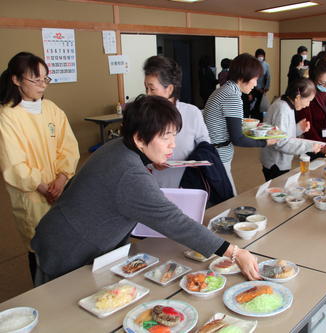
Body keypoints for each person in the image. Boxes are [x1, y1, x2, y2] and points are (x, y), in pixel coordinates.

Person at [31, 95, 260, 284]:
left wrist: (148, 162)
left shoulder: (117, 146)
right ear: (140, 139)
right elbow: (173, 221)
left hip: (62, 232)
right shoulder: (130, 174)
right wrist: (235, 252)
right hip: (67, 248)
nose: (173, 144)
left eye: (174, 135)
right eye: (165, 137)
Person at [0, 52, 80, 281]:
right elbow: (14, 163)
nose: (42, 85)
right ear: (16, 80)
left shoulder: (52, 109)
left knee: (65, 240)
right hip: (33, 195)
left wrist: (62, 180)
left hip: (60, 188)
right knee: (40, 247)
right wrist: (44, 187)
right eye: (35, 79)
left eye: (46, 79)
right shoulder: (8, 116)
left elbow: (69, 147)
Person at [203, 53, 277, 194]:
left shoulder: (223, 90)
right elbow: (237, 138)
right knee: (227, 198)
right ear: (244, 77)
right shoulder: (232, 97)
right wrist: (265, 142)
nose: (255, 84)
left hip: (213, 152)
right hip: (219, 155)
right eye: (255, 79)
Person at [143, 56, 211, 188]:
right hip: (155, 184)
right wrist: (151, 160)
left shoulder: (192, 113)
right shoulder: (144, 115)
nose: (148, 94)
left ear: (169, 89)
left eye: (152, 89)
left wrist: (196, 159)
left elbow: (206, 146)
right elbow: (137, 150)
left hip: (188, 183)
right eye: (146, 88)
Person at [260, 78, 323, 180]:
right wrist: (309, 147)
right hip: (275, 163)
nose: (308, 105)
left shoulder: (286, 103)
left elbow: (284, 134)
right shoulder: (282, 109)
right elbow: (280, 142)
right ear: (298, 97)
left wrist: (298, 128)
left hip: (278, 161)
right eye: (308, 101)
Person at [251, 49, 271, 120]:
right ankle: (253, 118)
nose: (261, 57)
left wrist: (266, 88)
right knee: (253, 106)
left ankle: (259, 120)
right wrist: (257, 88)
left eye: (262, 56)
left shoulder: (266, 65)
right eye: (259, 56)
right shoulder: (253, 64)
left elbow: (268, 77)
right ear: (256, 56)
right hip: (253, 88)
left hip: (262, 89)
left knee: (260, 106)